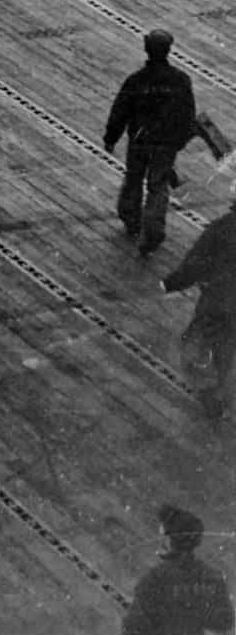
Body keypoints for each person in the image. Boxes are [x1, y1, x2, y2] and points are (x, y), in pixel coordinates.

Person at [115, 503, 231, 635]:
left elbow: (132, 628)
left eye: (163, 536)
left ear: (170, 541)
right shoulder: (211, 577)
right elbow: (225, 621)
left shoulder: (154, 579)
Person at [106, 29, 196, 256]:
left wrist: (111, 138)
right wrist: (179, 141)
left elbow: (120, 110)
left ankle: (130, 218)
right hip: (165, 144)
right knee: (158, 186)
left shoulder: (136, 80)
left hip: (139, 141)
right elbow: (187, 115)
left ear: (146, 48)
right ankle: (153, 228)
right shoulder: (180, 80)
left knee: (133, 179)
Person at [163, 195, 236, 419]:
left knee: (203, 338)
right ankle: (220, 389)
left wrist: (172, 282)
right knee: (227, 346)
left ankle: (209, 387)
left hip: (218, 298)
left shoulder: (224, 226)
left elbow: (197, 260)